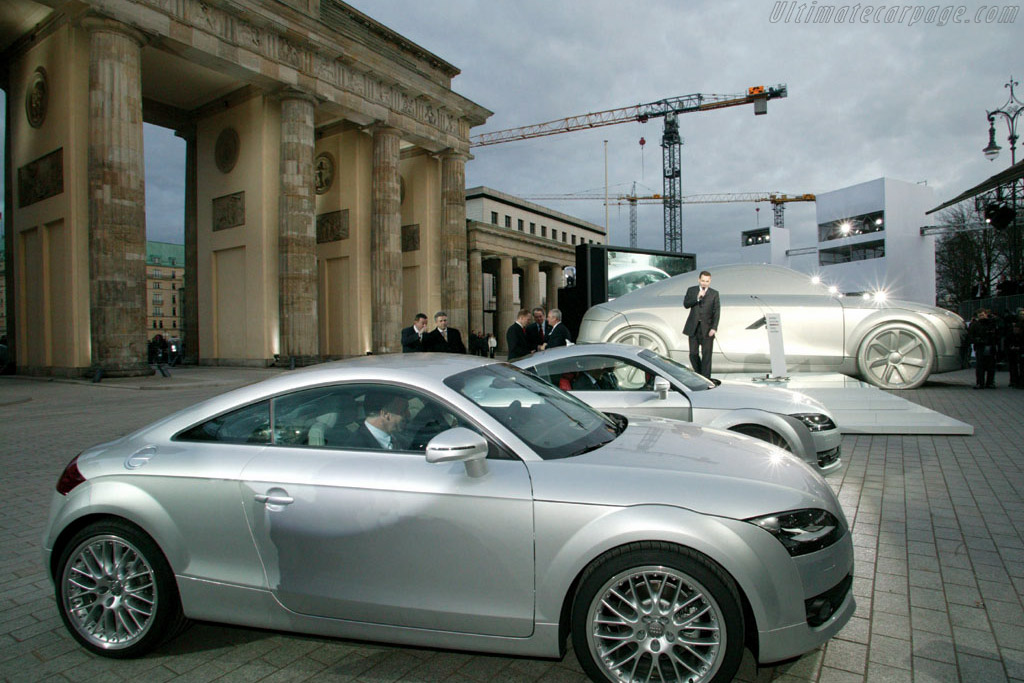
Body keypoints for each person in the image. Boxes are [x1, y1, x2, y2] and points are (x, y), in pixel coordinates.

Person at [683, 270, 720, 379]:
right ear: (699, 280)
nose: (704, 283)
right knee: (693, 354)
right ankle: (700, 376)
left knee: (707, 356)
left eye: (707, 281)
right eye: (703, 280)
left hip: (707, 329)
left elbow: (716, 312)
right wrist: (697, 298)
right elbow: (686, 304)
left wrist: (714, 328)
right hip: (693, 328)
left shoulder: (714, 294)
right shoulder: (692, 290)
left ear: (710, 281)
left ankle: (706, 379)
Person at [969, 308, 998, 389]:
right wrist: (977, 340)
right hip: (980, 347)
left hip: (990, 346)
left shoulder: (992, 323)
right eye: (980, 315)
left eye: (982, 315)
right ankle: (980, 383)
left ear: (986, 314)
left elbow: (997, 334)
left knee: (991, 366)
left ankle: (990, 382)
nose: (981, 316)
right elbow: (971, 336)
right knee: (980, 366)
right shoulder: (975, 324)